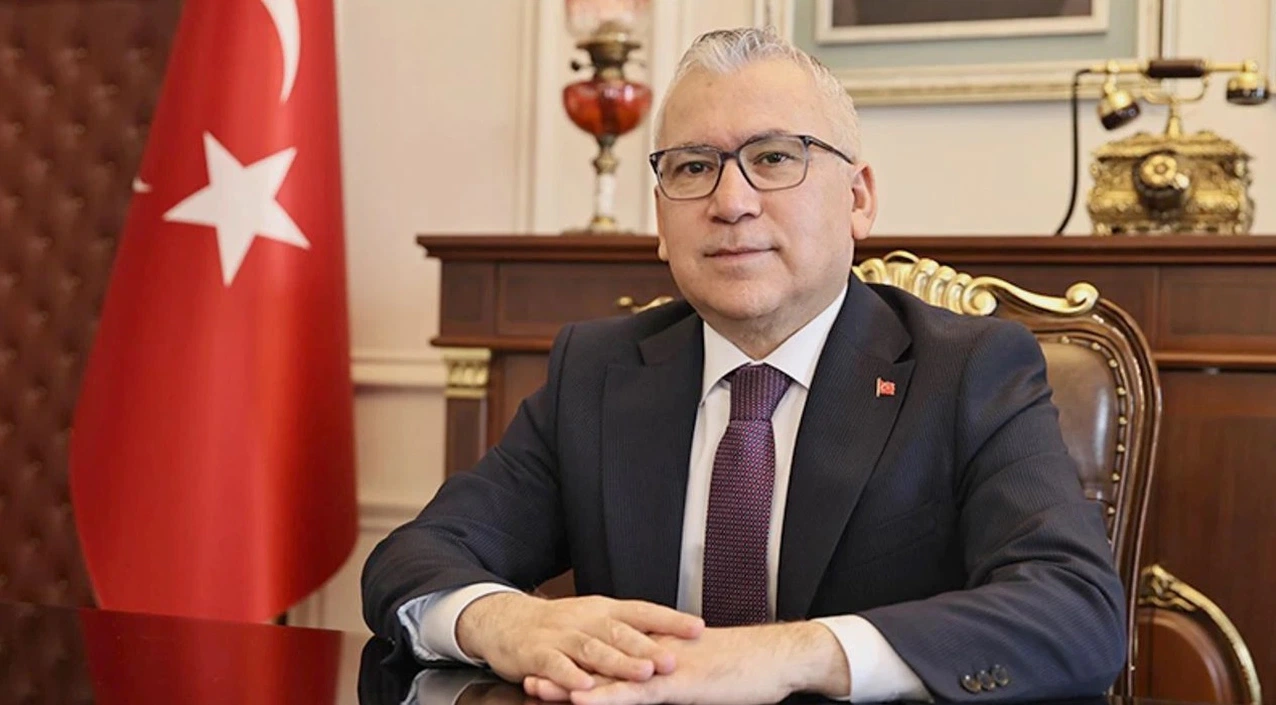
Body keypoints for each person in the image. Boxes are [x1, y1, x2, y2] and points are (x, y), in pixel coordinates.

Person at [362, 26, 1126, 705]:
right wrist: (506, 619)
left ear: (858, 198)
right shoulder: (597, 373)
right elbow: (414, 557)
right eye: (694, 167)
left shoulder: (969, 371)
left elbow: (1076, 610)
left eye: (773, 157)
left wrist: (787, 656)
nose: (731, 201)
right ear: (661, 221)